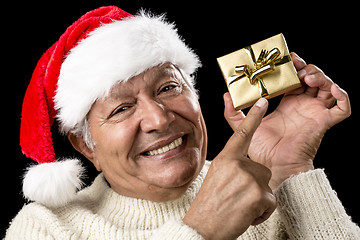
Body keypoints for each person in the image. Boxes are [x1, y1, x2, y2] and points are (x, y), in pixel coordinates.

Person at [5, 6, 359, 239]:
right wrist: (201, 229)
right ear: (86, 146)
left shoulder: (271, 192)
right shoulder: (45, 228)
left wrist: (289, 167)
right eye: (121, 109)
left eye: (169, 87)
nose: (159, 118)